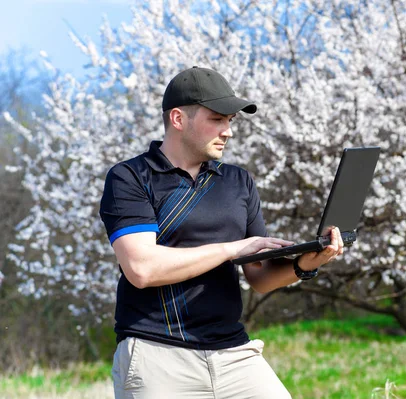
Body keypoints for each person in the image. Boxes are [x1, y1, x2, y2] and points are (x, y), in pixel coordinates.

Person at [99, 66, 344, 398]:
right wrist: (231, 250)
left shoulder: (237, 181)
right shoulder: (130, 177)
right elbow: (142, 269)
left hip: (234, 355)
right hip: (157, 356)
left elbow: (259, 276)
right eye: (217, 119)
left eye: (230, 121)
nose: (227, 131)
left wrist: (306, 263)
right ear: (177, 119)